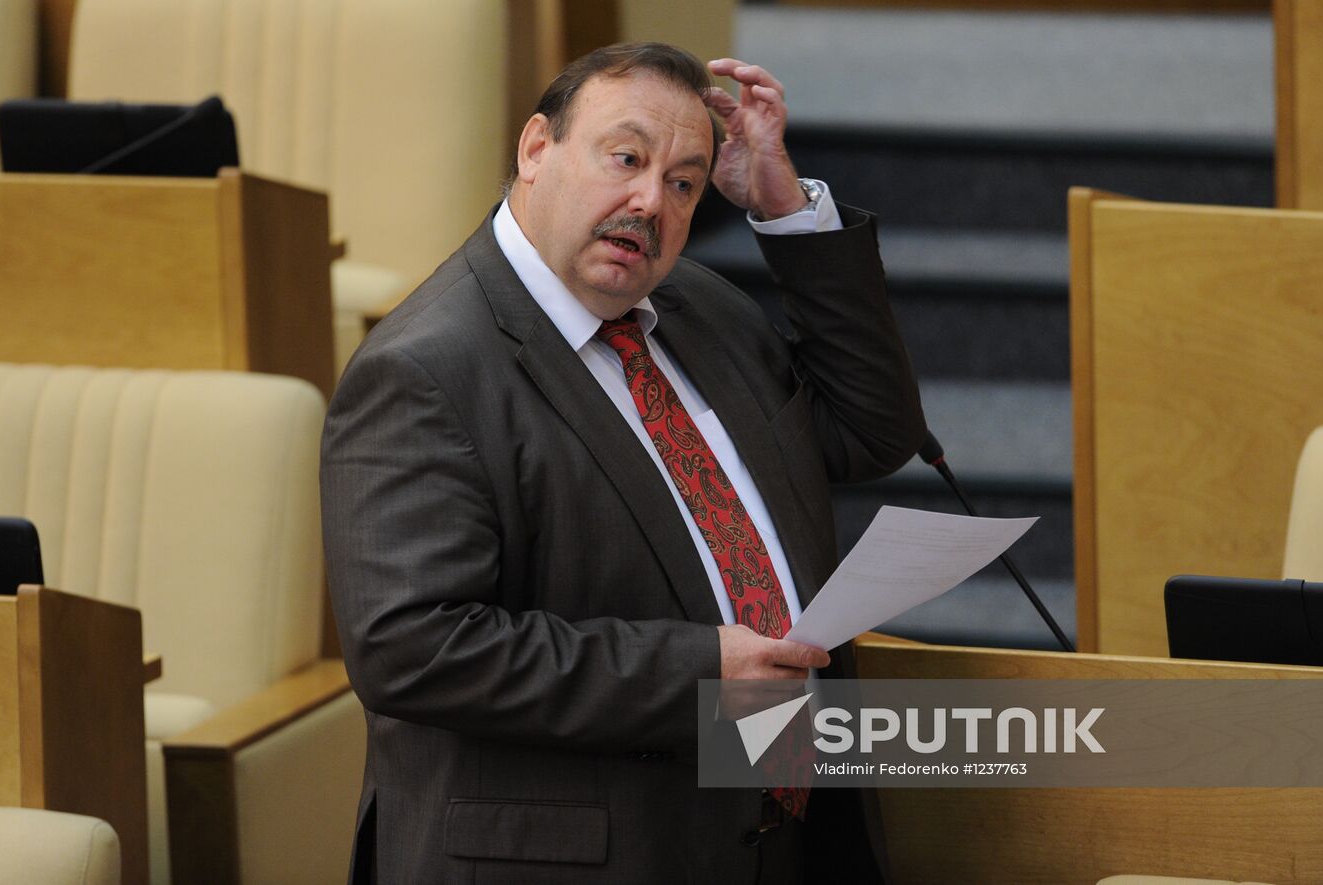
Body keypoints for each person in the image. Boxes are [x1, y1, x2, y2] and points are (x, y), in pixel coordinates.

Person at [320, 41, 925, 884]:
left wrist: (784, 208)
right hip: (576, 856)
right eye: (626, 158)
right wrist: (701, 672)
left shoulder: (697, 307)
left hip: (769, 830)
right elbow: (413, 648)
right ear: (538, 150)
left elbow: (871, 430)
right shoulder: (425, 370)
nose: (650, 202)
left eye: (683, 182)